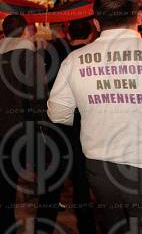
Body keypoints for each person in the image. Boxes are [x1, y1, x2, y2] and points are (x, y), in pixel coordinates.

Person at [48, 0, 142, 234]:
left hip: (102, 169)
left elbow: (58, 114)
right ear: (138, 16)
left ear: (96, 22)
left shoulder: (74, 60)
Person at [0, 14, 55, 234]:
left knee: (6, 182)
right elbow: (38, 95)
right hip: (29, 128)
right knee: (49, 180)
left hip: (1, 130)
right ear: (25, 31)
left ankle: (5, 225)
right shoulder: (30, 57)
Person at [39, 19, 98, 234]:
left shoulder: (53, 54)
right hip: (85, 126)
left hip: (58, 127)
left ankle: (43, 226)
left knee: (53, 179)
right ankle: (87, 227)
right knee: (82, 181)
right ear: (92, 34)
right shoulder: (94, 58)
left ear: (68, 34)